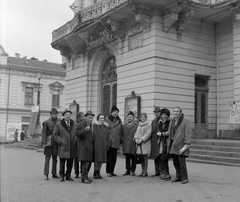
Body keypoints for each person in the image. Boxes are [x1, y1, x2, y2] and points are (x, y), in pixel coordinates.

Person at [167, 107, 192, 184]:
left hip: (181, 144)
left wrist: (187, 143)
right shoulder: (172, 121)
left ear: (180, 112)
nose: (176, 113)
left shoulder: (186, 121)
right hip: (173, 144)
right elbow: (170, 132)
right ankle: (178, 176)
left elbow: (188, 133)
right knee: (175, 162)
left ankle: (185, 178)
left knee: (182, 162)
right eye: (174, 111)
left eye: (177, 111)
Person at [52, 109, 76, 182]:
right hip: (63, 146)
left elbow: (76, 133)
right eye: (66, 115)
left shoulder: (74, 123)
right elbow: (54, 135)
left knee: (70, 162)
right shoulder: (59, 124)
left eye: (69, 115)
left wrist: (75, 140)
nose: (68, 116)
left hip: (71, 146)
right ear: (63, 116)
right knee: (62, 162)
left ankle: (68, 175)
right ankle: (62, 175)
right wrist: (61, 141)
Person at [75, 110, 95, 184]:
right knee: (85, 163)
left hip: (90, 146)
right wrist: (84, 130)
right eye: (89, 117)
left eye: (92, 118)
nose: (90, 119)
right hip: (83, 146)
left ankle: (86, 176)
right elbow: (76, 133)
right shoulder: (80, 124)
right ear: (85, 117)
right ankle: (84, 178)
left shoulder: (92, 125)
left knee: (88, 162)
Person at [42, 108, 60, 180]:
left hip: (56, 142)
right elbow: (44, 133)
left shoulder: (59, 121)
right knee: (47, 159)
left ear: (57, 114)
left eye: (55, 114)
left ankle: (54, 173)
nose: (54, 115)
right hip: (49, 142)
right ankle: (45, 174)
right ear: (50, 114)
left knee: (55, 159)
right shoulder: (46, 122)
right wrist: (44, 143)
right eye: (52, 114)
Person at [105, 106, 122, 177]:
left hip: (116, 141)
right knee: (109, 157)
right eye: (114, 112)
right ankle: (108, 171)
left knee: (114, 158)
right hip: (109, 141)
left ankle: (112, 171)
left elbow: (120, 131)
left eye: (117, 112)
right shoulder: (107, 120)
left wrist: (121, 140)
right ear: (111, 112)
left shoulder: (119, 121)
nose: (115, 113)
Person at [134, 113, 151, 177]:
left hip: (144, 143)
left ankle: (145, 171)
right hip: (139, 143)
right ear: (140, 118)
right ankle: (142, 171)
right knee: (141, 158)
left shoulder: (148, 125)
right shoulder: (139, 124)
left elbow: (148, 133)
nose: (143, 118)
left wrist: (142, 139)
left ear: (146, 118)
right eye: (142, 117)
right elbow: (136, 132)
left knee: (145, 157)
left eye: (144, 117)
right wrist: (135, 138)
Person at [92, 113, 109, 179]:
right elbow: (93, 135)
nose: (102, 119)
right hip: (97, 144)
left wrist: (107, 144)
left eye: (103, 118)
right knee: (97, 159)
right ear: (98, 119)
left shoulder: (106, 126)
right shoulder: (95, 125)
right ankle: (95, 172)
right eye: (100, 118)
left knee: (101, 159)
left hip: (103, 144)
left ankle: (99, 171)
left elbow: (108, 135)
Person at [121, 111, 138, 176]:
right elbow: (121, 134)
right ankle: (127, 170)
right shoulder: (124, 126)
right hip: (126, 144)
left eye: (131, 117)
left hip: (133, 143)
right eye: (128, 117)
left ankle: (133, 170)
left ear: (133, 118)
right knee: (127, 158)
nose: (129, 118)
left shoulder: (136, 126)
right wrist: (123, 140)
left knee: (133, 158)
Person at [157, 108, 171, 180]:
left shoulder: (169, 122)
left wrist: (162, 134)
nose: (164, 116)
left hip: (166, 142)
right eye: (162, 115)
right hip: (161, 142)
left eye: (165, 115)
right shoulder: (160, 122)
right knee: (161, 158)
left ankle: (167, 174)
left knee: (164, 158)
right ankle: (163, 173)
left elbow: (169, 132)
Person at [150, 107, 162, 177]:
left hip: (160, 139)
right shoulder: (153, 121)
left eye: (157, 112)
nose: (156, 114)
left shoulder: (162, 120)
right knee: (155, 157)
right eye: (155, 112)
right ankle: (157, 171)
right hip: (154, 140)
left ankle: (162, 171)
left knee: (160, 157)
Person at [73, 112, 85, 178]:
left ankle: (82, 172)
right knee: (76, 159)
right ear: (78, 117)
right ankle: (76, 172)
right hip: (75, 143)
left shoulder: (84, 123)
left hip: (82, 143)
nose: (83, 118)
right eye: (82, 117)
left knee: (82, 158)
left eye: (83, 117)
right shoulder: (75, 124)